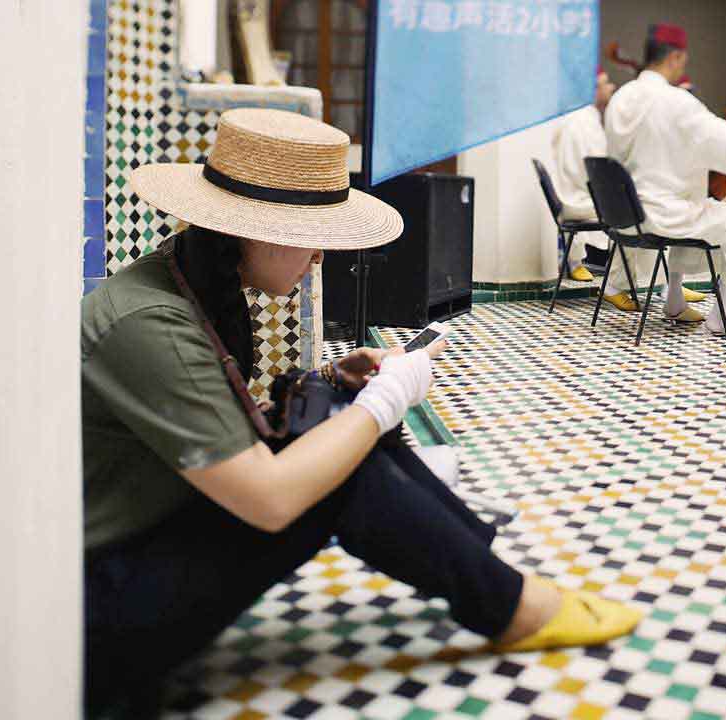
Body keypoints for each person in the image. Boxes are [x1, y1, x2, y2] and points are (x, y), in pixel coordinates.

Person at [83, 108, 641, 715]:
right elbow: (268, 499)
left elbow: (219, 428)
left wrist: (332, 382)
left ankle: (489, 573)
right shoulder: (150, 323)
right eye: (315, 238)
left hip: (141, 542)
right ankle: (513, 606)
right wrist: (383, 402)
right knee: (343, 471)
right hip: (93, 613)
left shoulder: (190, 284)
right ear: (266, 231)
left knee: (338, 424)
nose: (319, 258)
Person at [600, 23, 726, 336]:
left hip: (627, 212)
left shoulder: (622, 97)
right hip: (666, 214)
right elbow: (715, 137)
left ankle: (674, 300)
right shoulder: (674, 100)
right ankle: (724, 315)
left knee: (700, 205)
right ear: (676, 57)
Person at [551, 67, 616, 282]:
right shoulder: (581, 121)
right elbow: (591, 171)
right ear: (592, 89)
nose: (611, 87)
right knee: (641, 212)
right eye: (606, 83)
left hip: (577, 192)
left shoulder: (583, 116)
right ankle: (623, 281)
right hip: (577, 197)